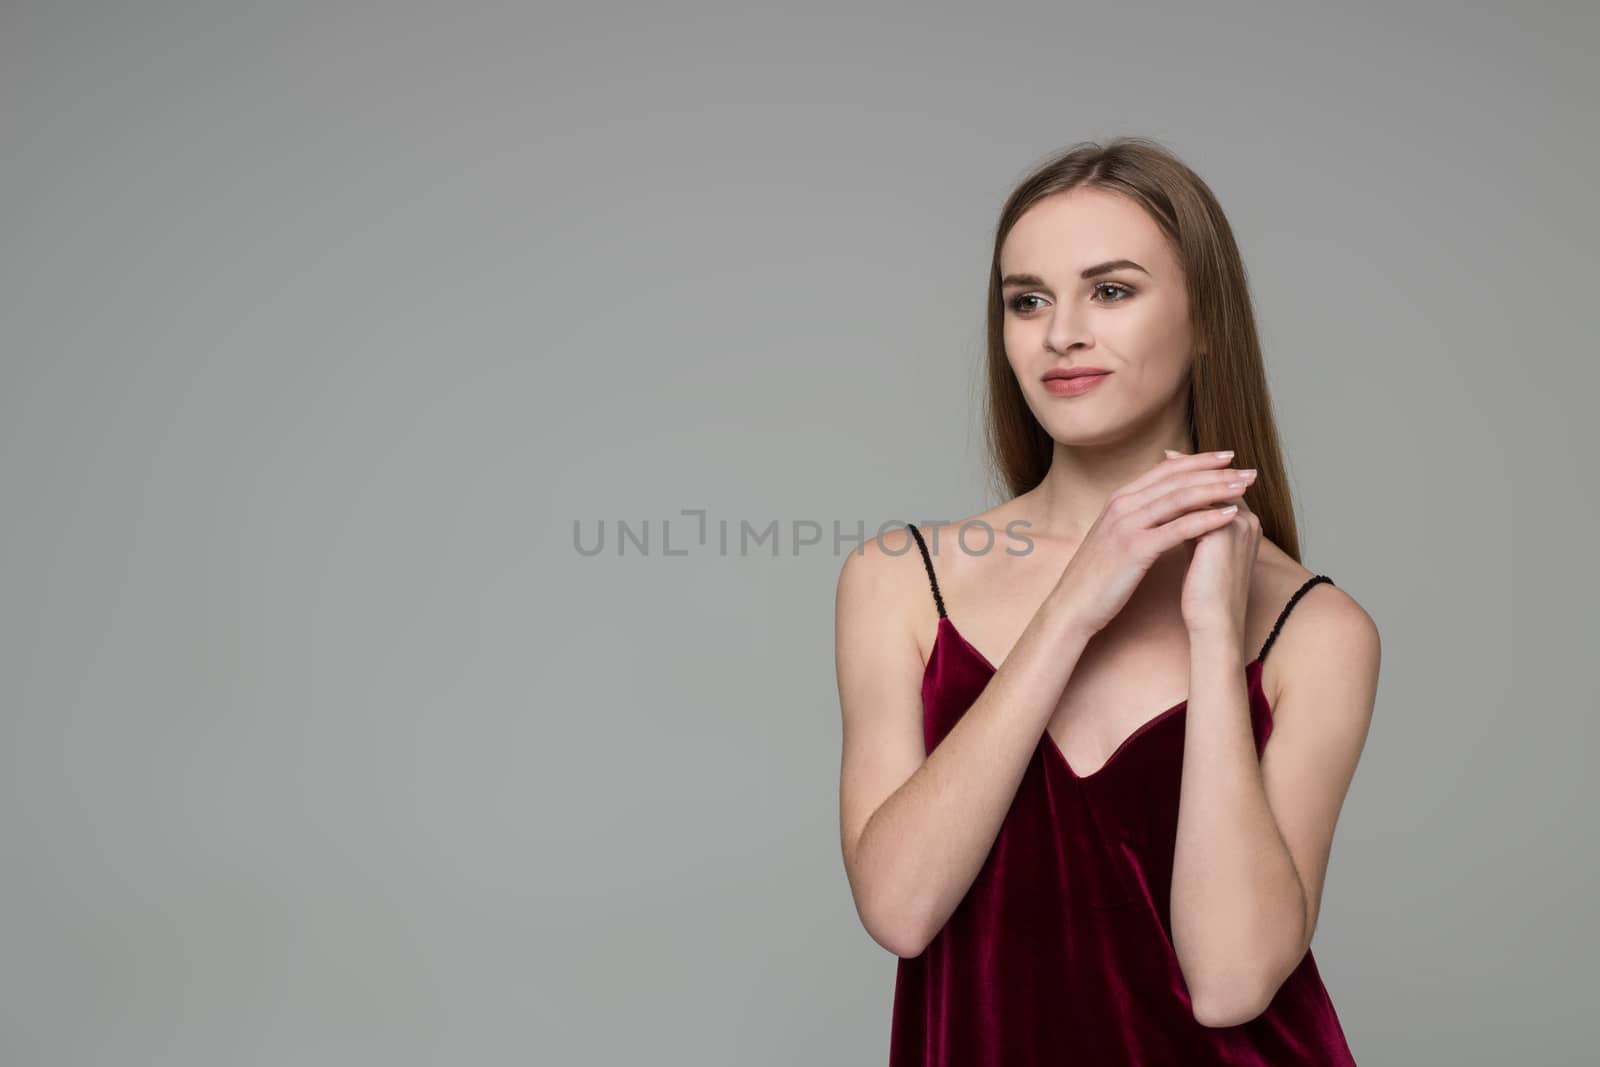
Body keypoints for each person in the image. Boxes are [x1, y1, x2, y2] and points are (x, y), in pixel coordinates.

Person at [834, 137, 1380, 1064]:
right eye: (1028, 300)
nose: (1061, 333)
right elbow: (899, 907)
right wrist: (1073, 605)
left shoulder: (1315, 629)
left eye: (1112, 290)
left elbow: (1232, 982)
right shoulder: (899, 580)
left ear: (1206, 320)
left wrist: (1214, 633)